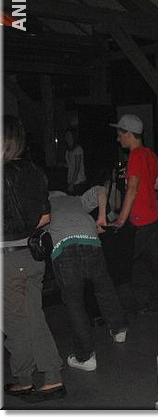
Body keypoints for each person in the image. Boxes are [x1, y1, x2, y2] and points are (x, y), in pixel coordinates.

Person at [2, 115, 66, 402]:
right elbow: (45, 217)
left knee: (15, 323)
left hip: (7, 258)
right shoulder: (35, 171)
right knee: (34, 317)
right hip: (33, 256)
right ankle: (51, 377)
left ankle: (25, 380)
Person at [46, 187, 128, 372]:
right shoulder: (76, 200)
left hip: (64, 249)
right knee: (104, 288)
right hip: (90, 243)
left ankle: (86, 356)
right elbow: (101, 189)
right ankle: (119, 329)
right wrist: (102, 217)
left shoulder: (45, 206)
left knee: (74, 303)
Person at [108, 114, 158, 314]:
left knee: (122, 264)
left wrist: (120, 220)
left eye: (120, 134)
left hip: (140, 220)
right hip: (155, 216)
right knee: (157, 265)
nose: (118, 139)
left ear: (129, 134)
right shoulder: (151, 154)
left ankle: (128, 308)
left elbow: (132, 189)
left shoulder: (135, 156)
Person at [64, 128, 87, 195]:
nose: (67, 137)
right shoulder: (68, 150)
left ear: (73, 137)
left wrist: (72, 183)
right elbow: (70, 164)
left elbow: (77, 168)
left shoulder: (78, 149)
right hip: (70, 179)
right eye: (66, 135)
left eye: (69, 135)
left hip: (78, 181)